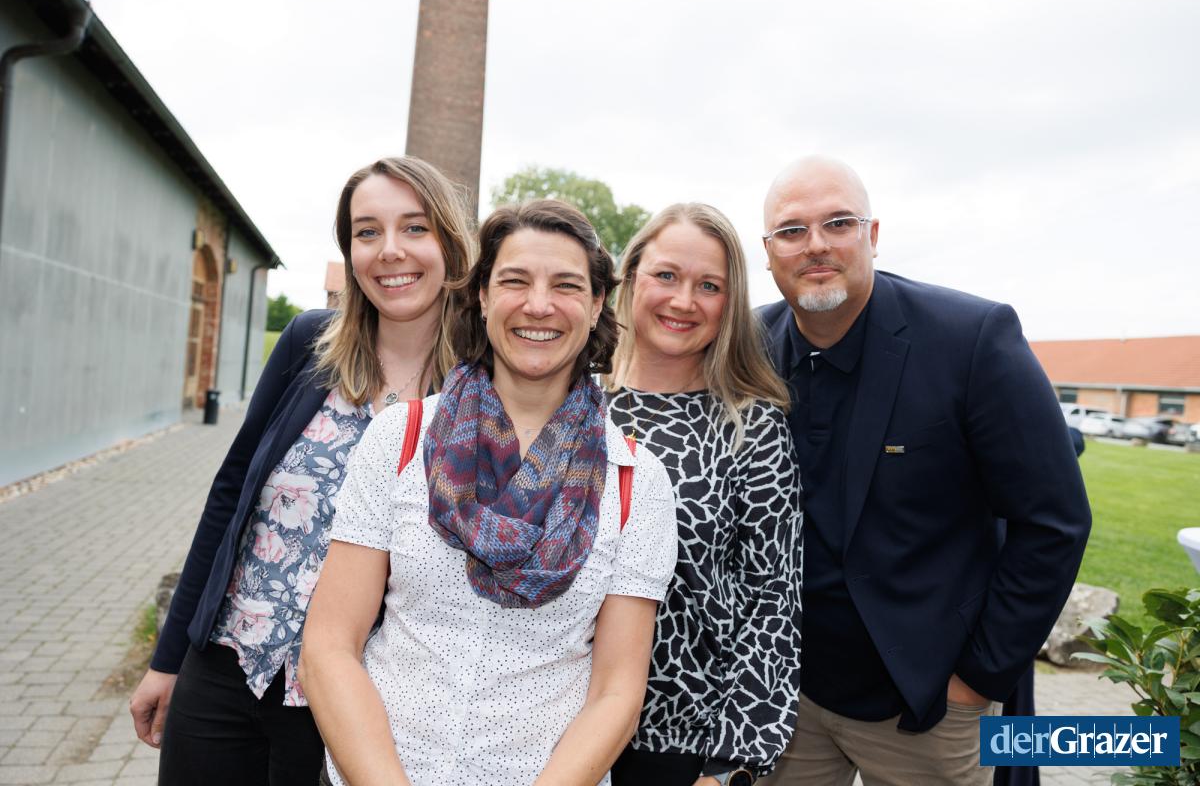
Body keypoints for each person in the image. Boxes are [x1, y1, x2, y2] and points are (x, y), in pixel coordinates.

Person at [299, 199, 679, 786]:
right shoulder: (401, 439)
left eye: (566, 285)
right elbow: (329, 646)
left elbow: (616, 694)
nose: (538, 305)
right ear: (481, 295)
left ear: (597, 303)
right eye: (515, 281)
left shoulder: (636, 482)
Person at [128, 156, 474, 784]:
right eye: (367, 232)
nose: (389, 250)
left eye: (415, 227)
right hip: (225, 668)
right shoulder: (310, 343)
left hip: (356, 701)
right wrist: (169, 657)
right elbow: (231, 495)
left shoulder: (481, 388)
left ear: (451, 242)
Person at [754, 157, 1091, 786]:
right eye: (792, 230)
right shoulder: (750, 348)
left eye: (838, 223)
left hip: (928, 709)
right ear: (769, 251)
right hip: (788, 702)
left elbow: (1054, 522)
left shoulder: (972, 339)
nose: (816, 244)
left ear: (873, 235)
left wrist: (977, 681)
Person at [603, 203, 803, 786]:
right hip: (550, 725)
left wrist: (731, 765)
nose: (683, 301)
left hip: (683, 743)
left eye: (709, 286)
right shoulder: (573, 403)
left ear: (729, 304)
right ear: (630, 276)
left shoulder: (751, 427)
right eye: (666, 275)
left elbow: (773, 602)